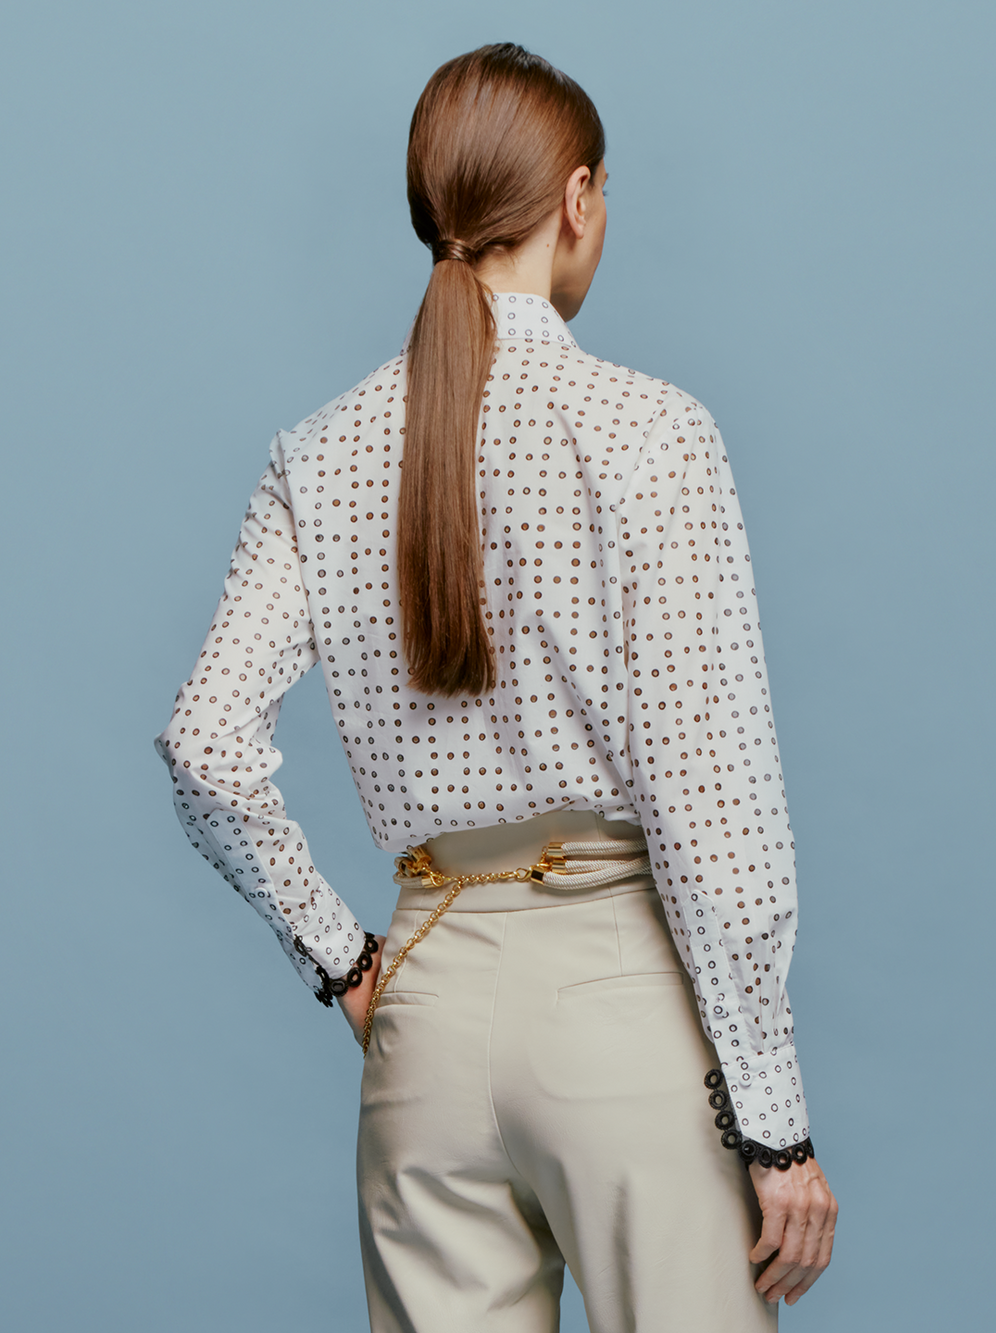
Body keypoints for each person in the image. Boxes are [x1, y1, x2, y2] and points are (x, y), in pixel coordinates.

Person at [155, 42, 836, 1332]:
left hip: (425, 1009)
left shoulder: (319, 455)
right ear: (578, 199)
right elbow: (711, 797)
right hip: (626, 1010)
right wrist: (775, 1117)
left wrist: (343, 963)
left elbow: (204, 746)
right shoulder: (649, 430)